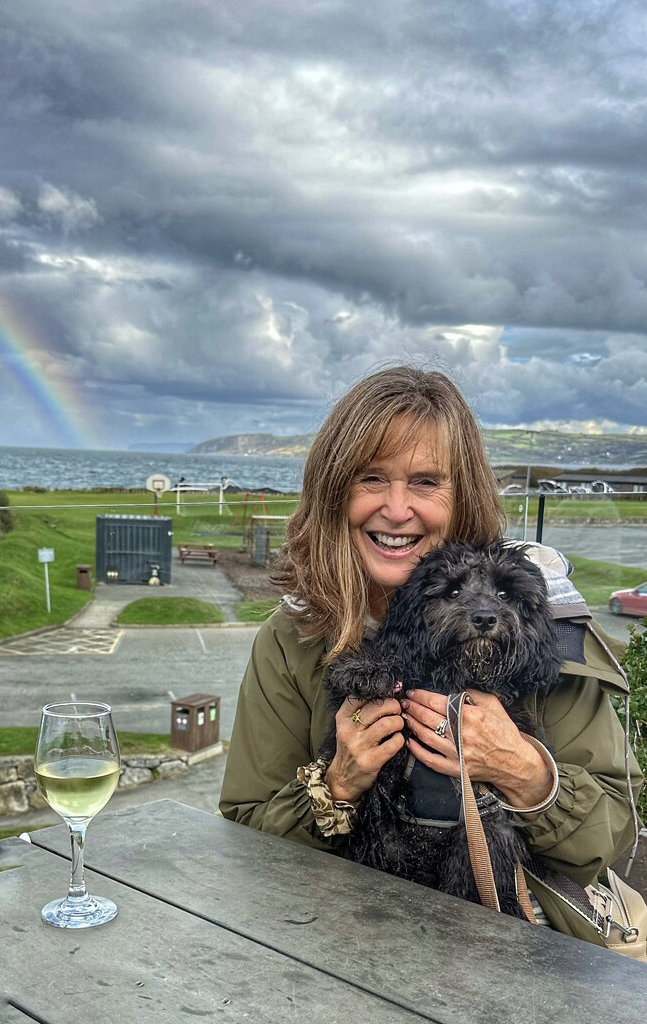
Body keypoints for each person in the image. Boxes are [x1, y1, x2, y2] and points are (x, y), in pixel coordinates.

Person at [219, 364, 643, 927]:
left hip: (529, 942)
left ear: (461, 493)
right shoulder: (291, 637)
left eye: (425, 482)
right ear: (333, 493)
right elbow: (242, 832)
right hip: (340, 930)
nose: (397, 510)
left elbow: (613, 834)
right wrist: (337, 785)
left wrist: (525, 772)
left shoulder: (542, 622)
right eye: (370, 478)